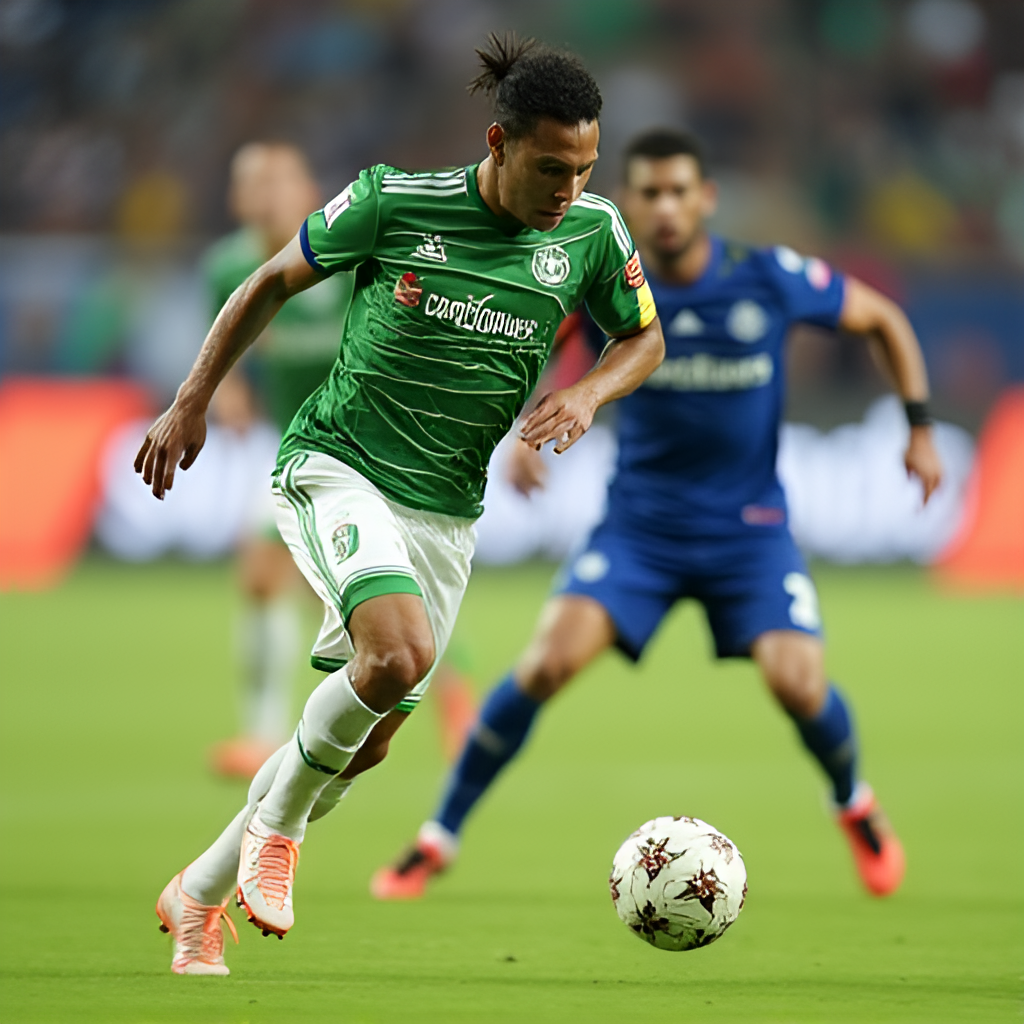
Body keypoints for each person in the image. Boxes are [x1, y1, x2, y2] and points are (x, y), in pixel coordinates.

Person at [135, 35, 665, 976]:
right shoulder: (395, 200)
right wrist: (192, 401)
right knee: (398, 654)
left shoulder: (592, 235)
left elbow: (644, 339)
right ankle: (280, 835)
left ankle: (199, 893)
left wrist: (588, 393)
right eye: (551, 168)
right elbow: (267, 282)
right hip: (340, 463)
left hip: (447, 511)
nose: (568, 191)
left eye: (585, 169)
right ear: (498, 141)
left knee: (370, 741)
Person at [372, 128, 944, 902]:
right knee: (543, 664)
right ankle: (438, 836)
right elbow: (556, 338)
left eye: (681, 191)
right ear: (630, 201)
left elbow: (883, 320)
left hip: (749, 532)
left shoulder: (765, 276)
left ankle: (854, 804)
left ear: (705, 199)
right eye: (650, 193)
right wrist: (527, 436)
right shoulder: (608, 272)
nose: (666, 207)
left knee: (799, 683)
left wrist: (917, 427)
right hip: (639, 528)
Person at [204, 142, 354, 778]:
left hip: (363, 440)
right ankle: (263, 731)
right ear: (237, 198)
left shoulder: (343, 251)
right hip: (294, 440)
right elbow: (226, 345)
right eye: (252, 183)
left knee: (375, 597)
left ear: (306, 188)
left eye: (278, 180)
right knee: (263, 575)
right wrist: (227, 395)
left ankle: (453, 689)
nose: (265, 193)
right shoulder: (227, 265)